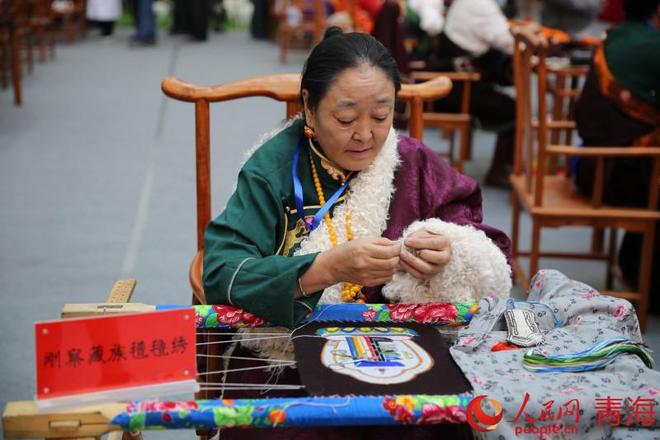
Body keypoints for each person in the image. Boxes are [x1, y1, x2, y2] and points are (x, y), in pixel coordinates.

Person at [202, 27, 512, 438]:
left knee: (441, 421)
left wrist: (449, 252)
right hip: (293, 351)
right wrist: (326, 268)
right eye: (345, 118)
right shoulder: (272, 169)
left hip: (402, 348)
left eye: (382, 116)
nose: (366, 135)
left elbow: (485, 245)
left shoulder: (412, 161)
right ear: (309, 108)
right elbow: (224, 272)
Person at [574, 0, 660, 310]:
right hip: (619, 176)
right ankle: (645, 278)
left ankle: (637, 267)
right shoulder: (652, 46)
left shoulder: (616, 34)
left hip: (592, 167)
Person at [407, 0, 518, 187]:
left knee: (505, 99)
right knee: (512, 109)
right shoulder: (480, 5)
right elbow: (508, 42)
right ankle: (499, 171)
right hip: (455, 91)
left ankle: (504, 168)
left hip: (453, 84)